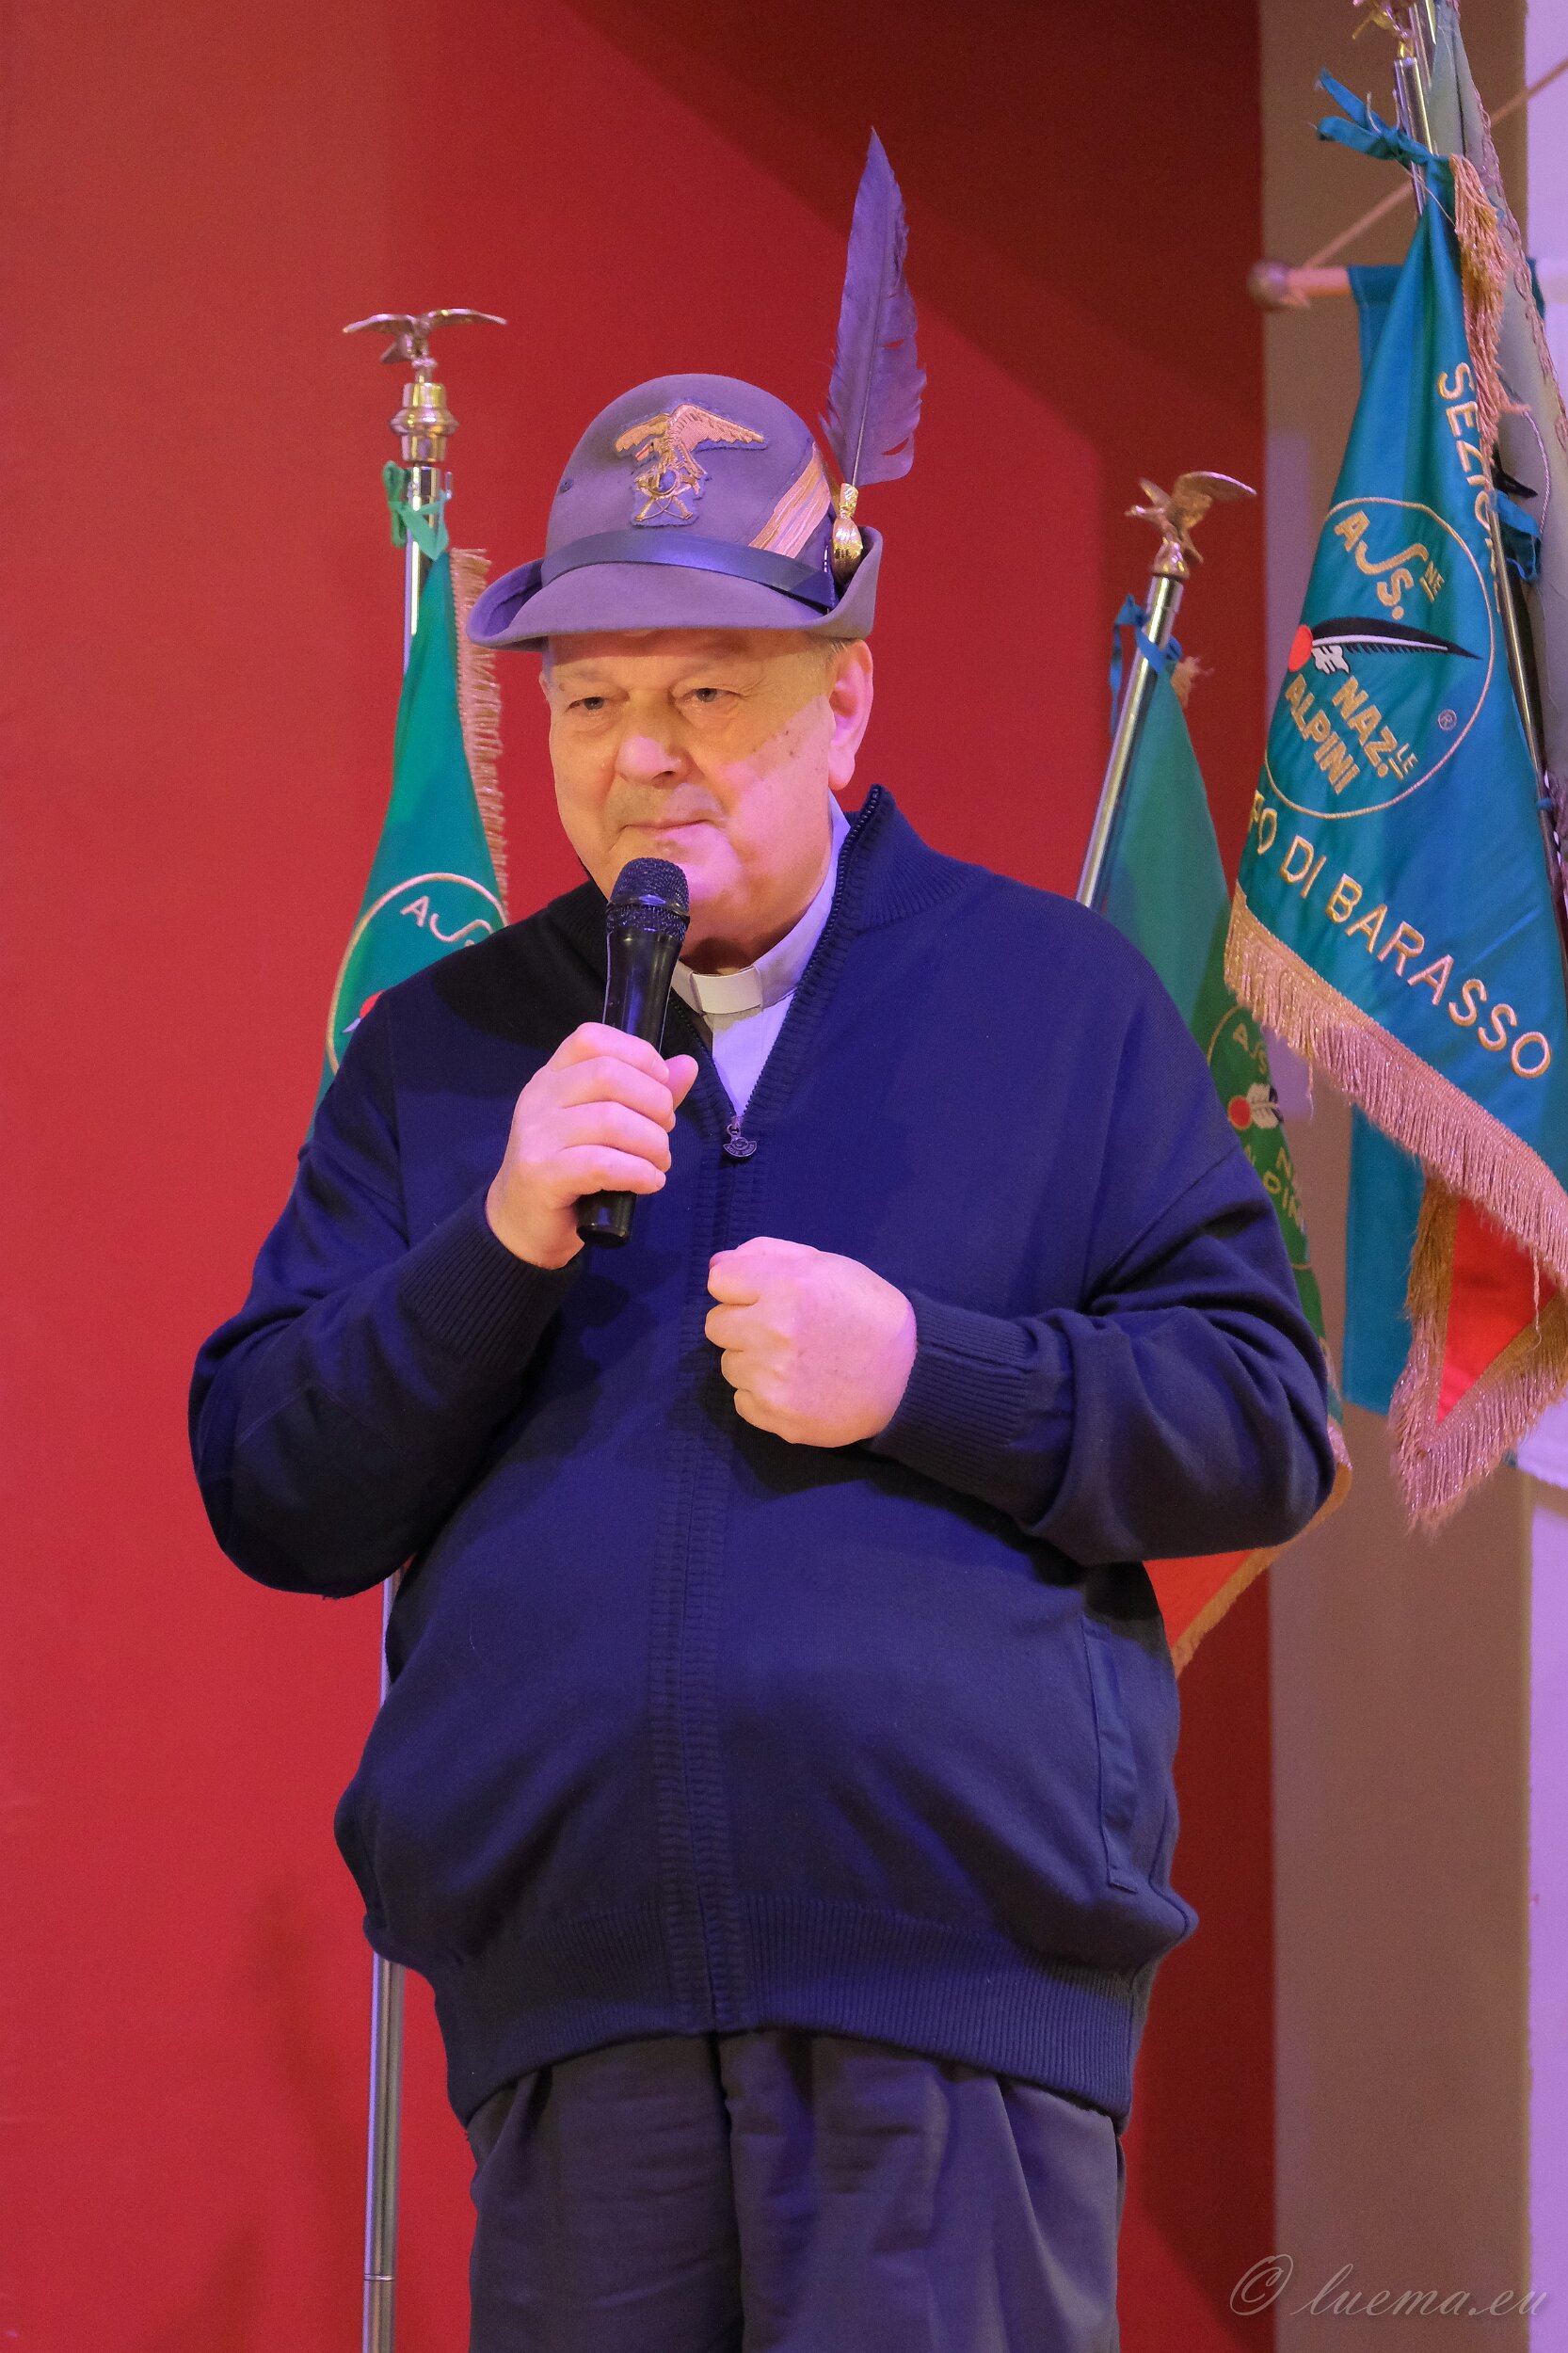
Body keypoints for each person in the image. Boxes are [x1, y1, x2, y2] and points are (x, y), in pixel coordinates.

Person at [190, 343, 1333, 2349]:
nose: (643, 754)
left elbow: (1258, 1416)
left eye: (710, 692)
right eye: (590, 700)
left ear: (844, 700)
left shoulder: (1051, 1002)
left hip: (954, 2014)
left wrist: (926, 1373)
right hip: (570, 2027)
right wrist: (494, 1241)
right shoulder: (445, 1055)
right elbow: (272, 1480)